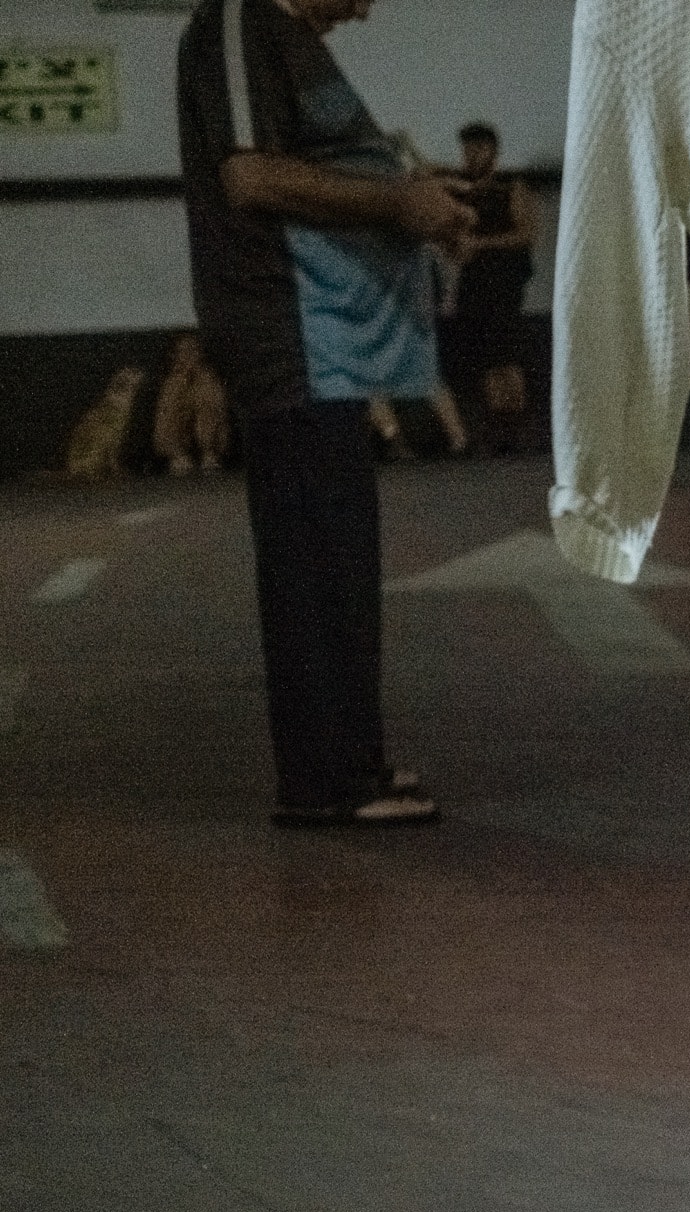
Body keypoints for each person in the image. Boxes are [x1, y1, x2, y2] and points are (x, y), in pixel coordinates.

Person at [176, 0, 472, 826]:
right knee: (314, 559)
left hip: (327, 342)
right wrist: (397, 206)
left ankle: (352, 762)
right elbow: (251, 175)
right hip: (289, 327)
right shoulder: (239, 19)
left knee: (338, 554)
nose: (365, 8)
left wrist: (411, 198)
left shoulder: (286, 38)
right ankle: (324, 780)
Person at [446, 121, 538, 453]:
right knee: (484, 356)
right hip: (473, 284)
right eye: (466, 149)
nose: (470, 156)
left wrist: (481, 244)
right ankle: (499, 427)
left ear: (493, 152)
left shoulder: (511, 187)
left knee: (506, 354)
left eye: (477, 149)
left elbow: (526, 233)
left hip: (504, 283)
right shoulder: (464, 192)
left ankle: (516, 424)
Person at [153, 332, 233, 475]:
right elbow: (166, 417)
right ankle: (178, 454)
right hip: (178, 449)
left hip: (209, 446)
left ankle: (209, 453)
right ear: (175, 355)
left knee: (208, 404)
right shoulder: (171, 382)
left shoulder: (209, 379)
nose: (188, 355)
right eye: (183, 351)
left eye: (193, 350)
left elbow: (217, 411)